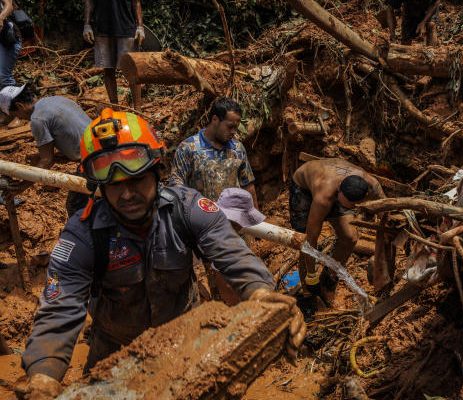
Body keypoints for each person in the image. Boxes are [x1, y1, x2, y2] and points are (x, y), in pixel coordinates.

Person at [18, 109, 305, 397]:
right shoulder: (83, 234)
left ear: (158, 171)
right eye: (114, 185)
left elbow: (233, 253)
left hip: (184, 342)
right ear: (99, 187)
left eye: (137, 179)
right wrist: (44, 375)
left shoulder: (187, 208)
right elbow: (60, 308)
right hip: (115, 354)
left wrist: (262, 294)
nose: (127, 194)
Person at [290, 158, 385, 306]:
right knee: (303, 239)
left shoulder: (371, 185)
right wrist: (311, 276)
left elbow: (386, 211)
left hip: (338, 192)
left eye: (350, 206)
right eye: (341, 204)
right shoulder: (324, 197)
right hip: (304, 190)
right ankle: (308, 293)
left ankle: (328, 282)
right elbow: (310, 240)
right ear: (340, 187)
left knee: (350, 237)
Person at [0, 83, 92, 215]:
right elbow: (72, 135)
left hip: (93, 160)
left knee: (75, 207)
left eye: (16, 115)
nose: (19, 119)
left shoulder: (37, 119)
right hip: (99, 144)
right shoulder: (55, 99)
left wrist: (22, 186)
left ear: (20, 106)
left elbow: (47, 160)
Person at [170, 97, 258, 207]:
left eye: (236, 127)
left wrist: (255, 219)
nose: (234, 132)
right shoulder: (188, 148)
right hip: (200, 220)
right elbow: (176, 187)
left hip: (231, 221)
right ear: (215, 119)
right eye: (230, 126)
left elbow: (248, 185)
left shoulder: (237, 149)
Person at [83, 0, 144, 104]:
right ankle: (115, 108)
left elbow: (136, 2)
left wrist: (140, 26)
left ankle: (138, 111)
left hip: (127, 27)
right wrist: (87, 25)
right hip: (102, 28)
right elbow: (89, 1)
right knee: (108, 70)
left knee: (132, 71)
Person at [0, 0, 19, 89]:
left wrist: (1, 17)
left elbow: (9, 4)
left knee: (3, 77)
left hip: (7, 38)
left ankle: (14, 99)